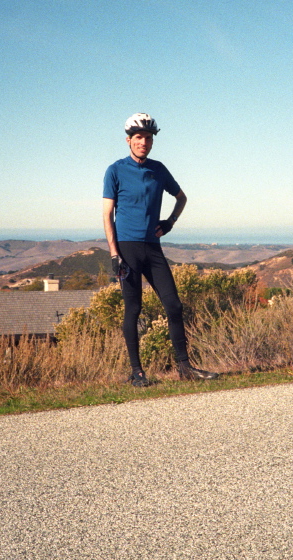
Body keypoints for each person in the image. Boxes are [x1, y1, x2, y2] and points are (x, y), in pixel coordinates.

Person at [103, 113, 219, 387]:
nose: (144, 142)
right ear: (129, 140)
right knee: (133, 309)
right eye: (139, 137)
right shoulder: (115, 170)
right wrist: (113, 253)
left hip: (152, 248)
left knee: (174, 305)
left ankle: (185, 368)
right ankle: (137, 372)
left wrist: (169, 223)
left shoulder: (159, 169)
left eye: (149, 138)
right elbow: (107, 214)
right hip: (127, 248)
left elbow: (181, 197)